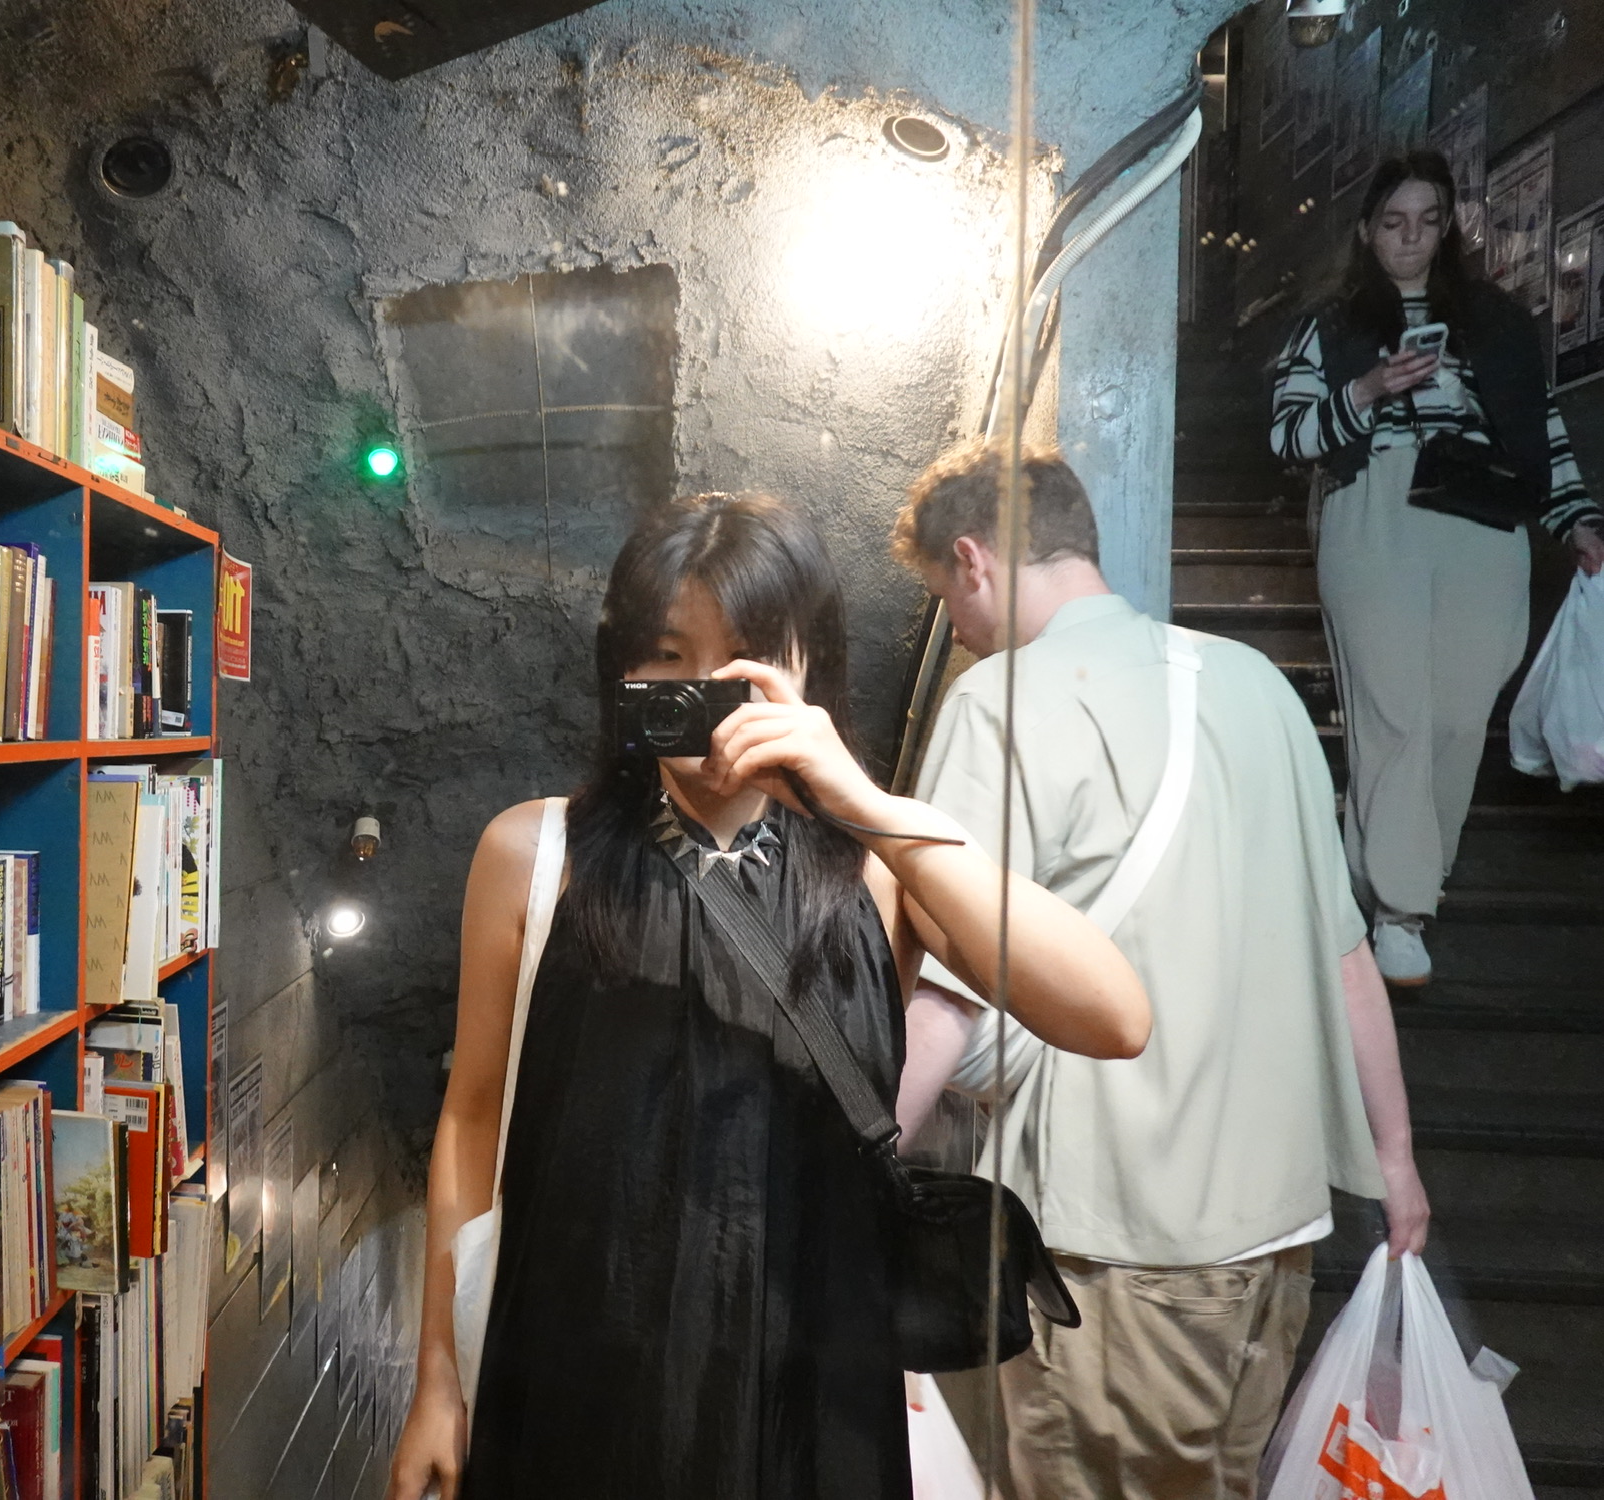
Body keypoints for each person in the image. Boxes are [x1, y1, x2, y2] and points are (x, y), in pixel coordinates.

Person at [386, 492, 1152, 1500]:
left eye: (745, 658)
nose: (706, 693)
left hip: (810, 1386)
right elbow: (473, 1117)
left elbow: (1112, 1016)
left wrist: (865, 805)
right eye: (668, 656)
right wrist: (438, 1378)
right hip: (578, 1369)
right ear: (622, 672)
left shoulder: (876, 868)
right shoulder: (537, 854)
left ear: (808, 668)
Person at [891, 443, 1430, 1500]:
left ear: (974, 559)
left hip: (1114, 1253)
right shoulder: (1257, 686)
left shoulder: (999, 702)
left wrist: (852, 1167)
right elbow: (1346, 957)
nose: (957, 628)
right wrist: (1397, 1161)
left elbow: (946, 993)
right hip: (1277, 1242)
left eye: (946, 598)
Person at [1270, 149, 1604, 986]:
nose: (1410, 237)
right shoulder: (1330, 324)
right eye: (1393, 221)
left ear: (1449, 226)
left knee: (1456, 717)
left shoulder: (1497, 322)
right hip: (1374, 509)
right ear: (1366, 231)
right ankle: (1403, 909)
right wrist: (1368, 389)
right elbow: (1287, 435)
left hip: (1482, 517)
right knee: (1394, 713)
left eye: (1427, 220)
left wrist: (1576, 518)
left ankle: (1382, 870)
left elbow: (1542, 430)